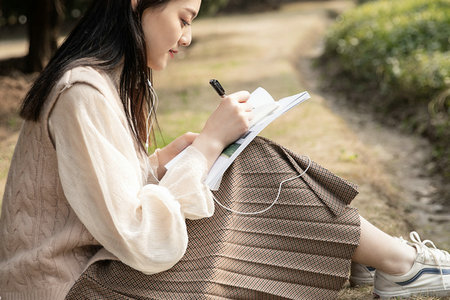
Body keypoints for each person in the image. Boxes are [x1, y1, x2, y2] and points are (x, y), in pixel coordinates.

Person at [0, 0, 448, 299]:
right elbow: (141, 238)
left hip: (88, 273)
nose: (187, 37)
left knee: (237, 157)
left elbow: (93, 199)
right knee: (244, 162)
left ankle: (378, 258)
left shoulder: (103, 84)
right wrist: (210, 143)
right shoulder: (83, 91)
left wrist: (161, 160)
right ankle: (395, 263)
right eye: (184, 19)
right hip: (70, 288)